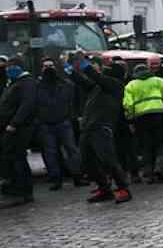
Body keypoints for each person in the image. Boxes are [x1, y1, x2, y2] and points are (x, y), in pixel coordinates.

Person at [68, 54, 132, 204]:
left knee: (108, 160)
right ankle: (104, 188)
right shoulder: (100, 87)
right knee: (87, 161)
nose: (104, 70)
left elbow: (96, 77)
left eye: (107, 69)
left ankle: (124, 189)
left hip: (101, 127)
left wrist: (85, 64)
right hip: (88, 127)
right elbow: (84, 82)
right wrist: (69, 69)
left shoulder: (115, 85)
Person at [35, 56, 84, 191]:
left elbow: (73, 101)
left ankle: (77, 176)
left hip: (63, 122)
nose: (48, 68)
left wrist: (72, 116)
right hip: (46, 124)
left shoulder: (66, 84)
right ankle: (56, 179)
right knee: (51, 153)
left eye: (50, 66)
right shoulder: (37, 86)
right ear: (41, 69)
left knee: (72, 150)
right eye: (46, 66)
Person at [0, 56, 37, 207]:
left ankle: (24, 191)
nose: (8, 70)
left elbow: (26, 105)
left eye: (11, 67)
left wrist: (15, 123)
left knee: (18, 158)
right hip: (10, 127)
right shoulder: (14, 83)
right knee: (11, 157)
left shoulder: (27, 83)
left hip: (20, 128)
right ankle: (14, 188)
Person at [123, 63, 163, 183]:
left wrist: (130, 119)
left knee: (145, 145)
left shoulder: (130, 85)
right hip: (158, 113)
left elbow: (128, 104)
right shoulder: (158, 81)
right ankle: (160, 166)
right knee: (160, 142)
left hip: (140, 118)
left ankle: (148, 173)